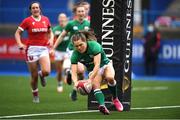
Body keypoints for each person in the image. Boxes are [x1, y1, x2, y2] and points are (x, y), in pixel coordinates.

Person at [70, 31, 124, 115]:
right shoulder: (75, 54)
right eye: (76, 46)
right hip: (93, 70)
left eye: (81, 44)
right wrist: (76, 83)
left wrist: (90, 79)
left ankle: (115, 99)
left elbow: (97, 65)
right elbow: (73, 72)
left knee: (110, 78)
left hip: (105, 65)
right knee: (96, 86)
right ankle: (102, 106)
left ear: (86, 42)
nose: (79, 48)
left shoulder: (94, 46)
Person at [14, 1, 54, 103]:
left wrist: (51, 39)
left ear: (40, 9)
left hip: (43, 48)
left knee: (47, 72)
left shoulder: (46, 19)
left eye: (37, 7)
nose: (35, 9)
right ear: (31, 10)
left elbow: (50, 31)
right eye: (33, 8)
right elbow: (17, 33)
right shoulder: (27, 21)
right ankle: (35, 94)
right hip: (31, 50)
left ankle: (42, 75)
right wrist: (19, 43)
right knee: (34, 76)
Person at [51, 3, 90, 101]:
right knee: (80, 70)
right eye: (79, 11)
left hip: (84, 50)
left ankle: (73, 88)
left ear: (85, 12)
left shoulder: (88, 24)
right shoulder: (71, 24)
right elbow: (62, 35)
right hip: (72, 49)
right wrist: (53, 47)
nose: (81, 13)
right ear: (76, 13)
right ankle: (70, 76)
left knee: (81, 74)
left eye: (82, 11)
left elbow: (91, 37)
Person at [52, 13, 71, 93]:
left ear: (66, 19)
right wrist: (52, 48)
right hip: (58, 52)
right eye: (60, 17)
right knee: (59, 71)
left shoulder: (69, 28)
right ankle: (60, 83)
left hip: (67, 51)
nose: (62, 19)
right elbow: (52, 39)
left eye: (63, 17)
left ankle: (67, 75)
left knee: (66, 67)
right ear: (58, 19)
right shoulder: (55, 29)